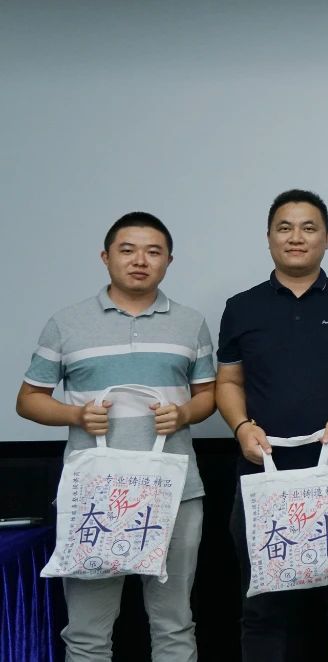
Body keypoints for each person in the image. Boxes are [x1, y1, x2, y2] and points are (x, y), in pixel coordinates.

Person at [18, 212, 215, 662]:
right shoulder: (66, 323)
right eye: (127, 250)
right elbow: (28, 400)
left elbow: (208, 395)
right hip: (94, 494)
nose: (140, 261)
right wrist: (75, 415)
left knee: (174, 624)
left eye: (153, 252)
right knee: (87, 633)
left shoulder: (190, 323)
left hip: (175, 492)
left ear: (168, 261)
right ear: (106, 257)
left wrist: (184, 413)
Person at [215, 189, 328, 661]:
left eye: (309, 228)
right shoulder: (242, 307)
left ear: (327, 238)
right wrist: (241, 426)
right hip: (263, 473)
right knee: (262, 605)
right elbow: (228, 381)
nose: (296, 237)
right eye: (284, 228)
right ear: (269, 237)